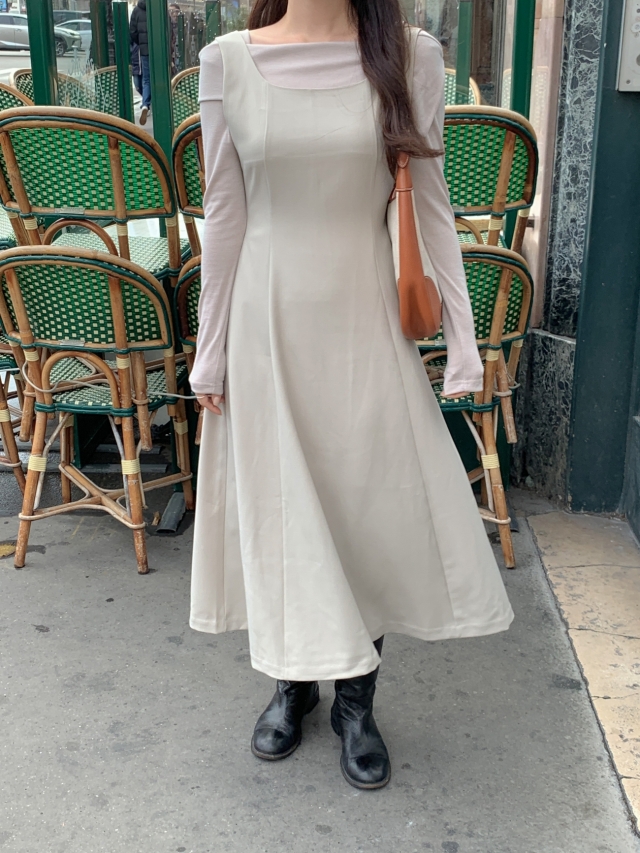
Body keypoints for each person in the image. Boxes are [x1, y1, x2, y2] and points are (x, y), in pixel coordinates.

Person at [189, 0, 514, 791]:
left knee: (366, 509)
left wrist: (464, 340)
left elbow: (430, 204)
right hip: (267, 320)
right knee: (284, 510)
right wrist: (210, 348)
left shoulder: (409, 55)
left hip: (366, 317)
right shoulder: (227, 60)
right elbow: (224, 213)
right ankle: (293, 682)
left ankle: (357, 703)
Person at [129, 0, 150, 125]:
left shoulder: (136, 10)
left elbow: (132, 32)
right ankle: (153, 103)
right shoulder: (159, 8)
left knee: (146, 79)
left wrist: (141, 43)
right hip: (158, 50)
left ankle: (145, 104)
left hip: (144, 50)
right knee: (157, 78)